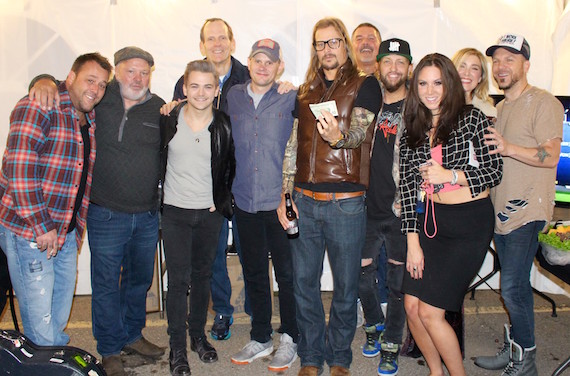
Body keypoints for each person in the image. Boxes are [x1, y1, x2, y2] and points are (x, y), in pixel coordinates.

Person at [28, 46, 167, 376]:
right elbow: (67, 90)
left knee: (138, 282)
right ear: (117, 72)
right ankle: (109, 348)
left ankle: (132, 335)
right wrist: (42, 79)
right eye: (130, 71)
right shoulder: (97, 101)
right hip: (106, 214)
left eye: (144, 72)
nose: (138, 78)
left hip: (147, 215)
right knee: (105, 284)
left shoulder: (159, 108)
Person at [278, 17, 381, 376]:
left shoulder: (366, 86)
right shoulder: (305, 92)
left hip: (346, 203)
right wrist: (284, 196)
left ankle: (339, 358)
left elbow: (359, 135)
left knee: (345, 287)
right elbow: (293, 147)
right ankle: (310, 357)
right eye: (320, 44)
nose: (327, 50)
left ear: (345, 45)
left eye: (333, 42)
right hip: (304, 201)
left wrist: (338, 135)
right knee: (304, 285)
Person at [399, 53, 502, 376]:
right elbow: (406, 190)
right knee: (412, 308)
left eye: (438, 83)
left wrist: (452, 176)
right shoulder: (411, 131)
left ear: (450, 84)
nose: (430, 91)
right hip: (429, 224)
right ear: (415, 88)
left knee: (431, 311)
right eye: (423, 83)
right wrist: (412, 244)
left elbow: (494, 170)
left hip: (469, 224)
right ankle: (435, 371)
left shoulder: (472, 119)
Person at [0, 52, 112, 346]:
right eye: (90, 80)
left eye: (101, 85)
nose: (96, 90)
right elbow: (19, 170)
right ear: (71, 78)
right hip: (31, 233)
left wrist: (72, 233)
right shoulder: (39, 105)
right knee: (41, 325)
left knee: (57, 316)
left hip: (64, 233)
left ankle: (51, 359)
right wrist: (41, 225)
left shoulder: (90, 116)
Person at [475, 34, 563, 376]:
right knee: (513, 287)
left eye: (509, 59)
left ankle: (525, 363)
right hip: (501, 211)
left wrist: (509, 147)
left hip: (528, 210)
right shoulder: (501, 107)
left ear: (526, 64)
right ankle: (514, 350)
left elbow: (552, 155)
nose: (501, 66)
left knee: (512, 287)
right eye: (496, 60)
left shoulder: (544, 102)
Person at [172, 18, 249, 341]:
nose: (217, 44)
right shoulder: (186, 80)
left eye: (222, 38)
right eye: (210, 39)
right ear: (202, 45)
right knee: (213, 255)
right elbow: (176, 122)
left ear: (232, 42)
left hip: (245, 181)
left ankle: (258, 313)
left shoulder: (251, 76)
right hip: (207, 188)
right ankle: (223, 312)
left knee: (251, 252)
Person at [227, 39, 299, 372]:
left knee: (287, 275)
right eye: (258, 60)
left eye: (270, 62)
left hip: (279, 203)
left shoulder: (291, 96)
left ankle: (290, 338)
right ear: (249, 62)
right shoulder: (232, 96)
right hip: (244, 200)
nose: (263, 66)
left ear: (279, 66)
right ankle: (260, 336)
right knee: (255, 272)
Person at [160, 60, 235, 376]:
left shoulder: (224, 124)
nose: (201, 92)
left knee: (203, 277)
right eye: (194, 86)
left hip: (209, 215)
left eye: (208, 86)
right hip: (175, 212)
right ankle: (177, 348)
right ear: (184, 88)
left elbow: (230, 168)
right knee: (178, 281)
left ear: (216, 91)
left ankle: (197, 337)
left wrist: (219, 203)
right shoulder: (168, 119)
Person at [358, 38, 412, 376]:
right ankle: (374, 324)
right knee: (360, 275)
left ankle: (391, 343)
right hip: (366, 207)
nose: (393, 68)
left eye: (400, 62)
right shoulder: (369, 104)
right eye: (387, 61)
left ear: (408, 67)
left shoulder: (418, 108)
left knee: (396, 283)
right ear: (377, 65)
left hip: (399, 211)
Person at [452, 48, 497, 118]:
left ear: (480, 77)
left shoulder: (489, 114)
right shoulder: (436, 106)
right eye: (462, 66)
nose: (467, 73)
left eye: (474, 68)